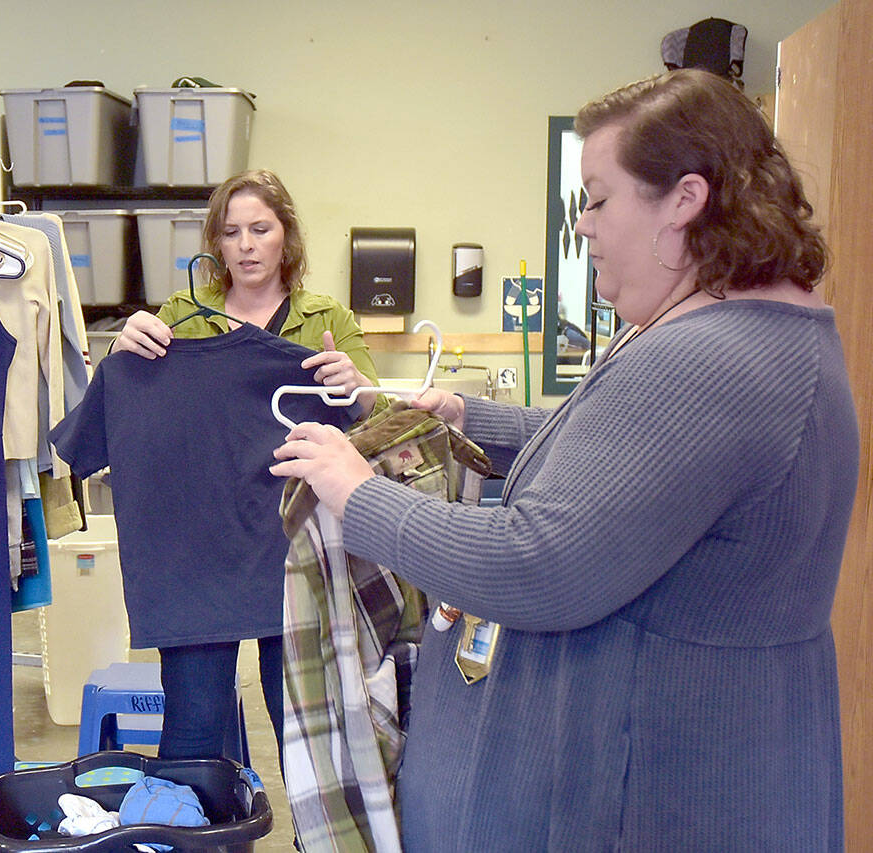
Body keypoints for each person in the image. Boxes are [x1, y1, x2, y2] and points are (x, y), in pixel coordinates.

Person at [270, 69, 858, 850]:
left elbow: (533, 563)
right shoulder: (750, 332)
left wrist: (356, 494)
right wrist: (476, 419)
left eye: (598, 198)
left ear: (684, 200)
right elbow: (630, 466)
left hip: (664, 795)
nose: (583, 225)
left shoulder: (708, 360)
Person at [110, 169, 381, 760]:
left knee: (307, 734)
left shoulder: (325, 318)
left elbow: (377, 420)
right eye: (232, 233)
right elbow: (130, 396)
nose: (247, 245)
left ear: (287, 237)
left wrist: (355, 384)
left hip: (297, 541)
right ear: (216, 243)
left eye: (261, 229)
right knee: (194, 731)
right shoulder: (184, 314)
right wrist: (121, 348)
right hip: (200, 546)